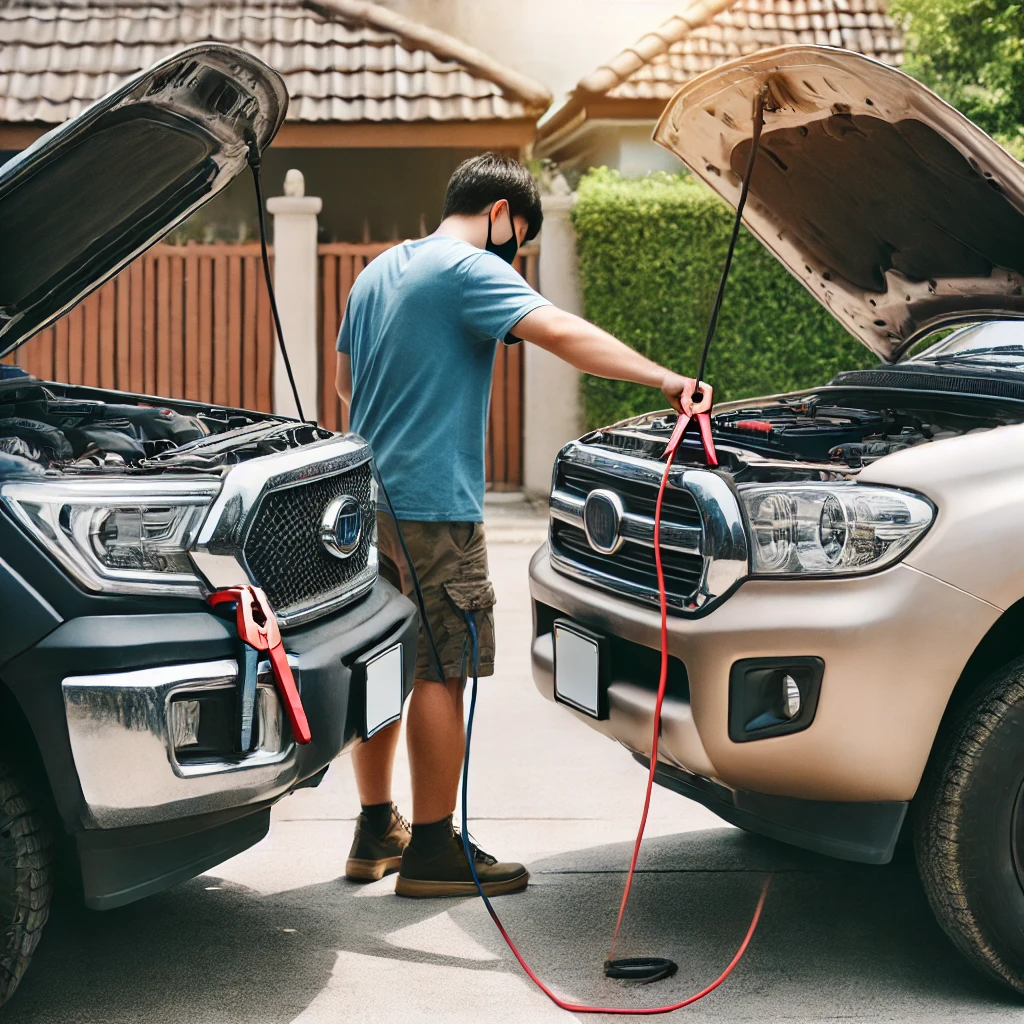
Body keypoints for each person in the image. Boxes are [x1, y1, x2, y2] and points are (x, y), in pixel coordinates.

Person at [335, 153, 711, 898]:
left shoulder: (375, 273)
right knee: (441, 669)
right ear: (503, 213)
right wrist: (666, 380)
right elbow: (560, 331)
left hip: (366, 503)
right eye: (520, 239)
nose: (515, 256)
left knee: (380, 665)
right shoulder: (469, 268)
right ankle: (435, 851)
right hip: (434, 508)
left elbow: (346, 383)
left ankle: (377, 827)